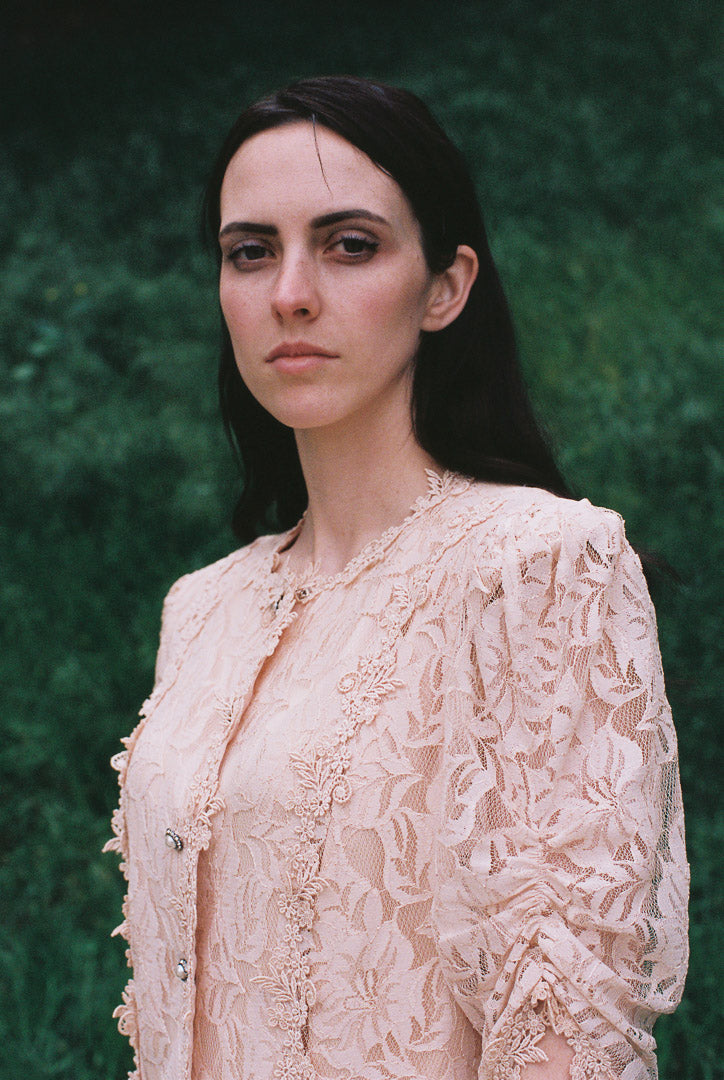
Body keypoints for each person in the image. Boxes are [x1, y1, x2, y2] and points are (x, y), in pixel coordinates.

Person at [105, 76, 689, 1080]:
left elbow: (567, 1034)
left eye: (349, 244)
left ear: (446, 286)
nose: (290, 290)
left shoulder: (538, 568)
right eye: (250, 252)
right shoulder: (200, 608)